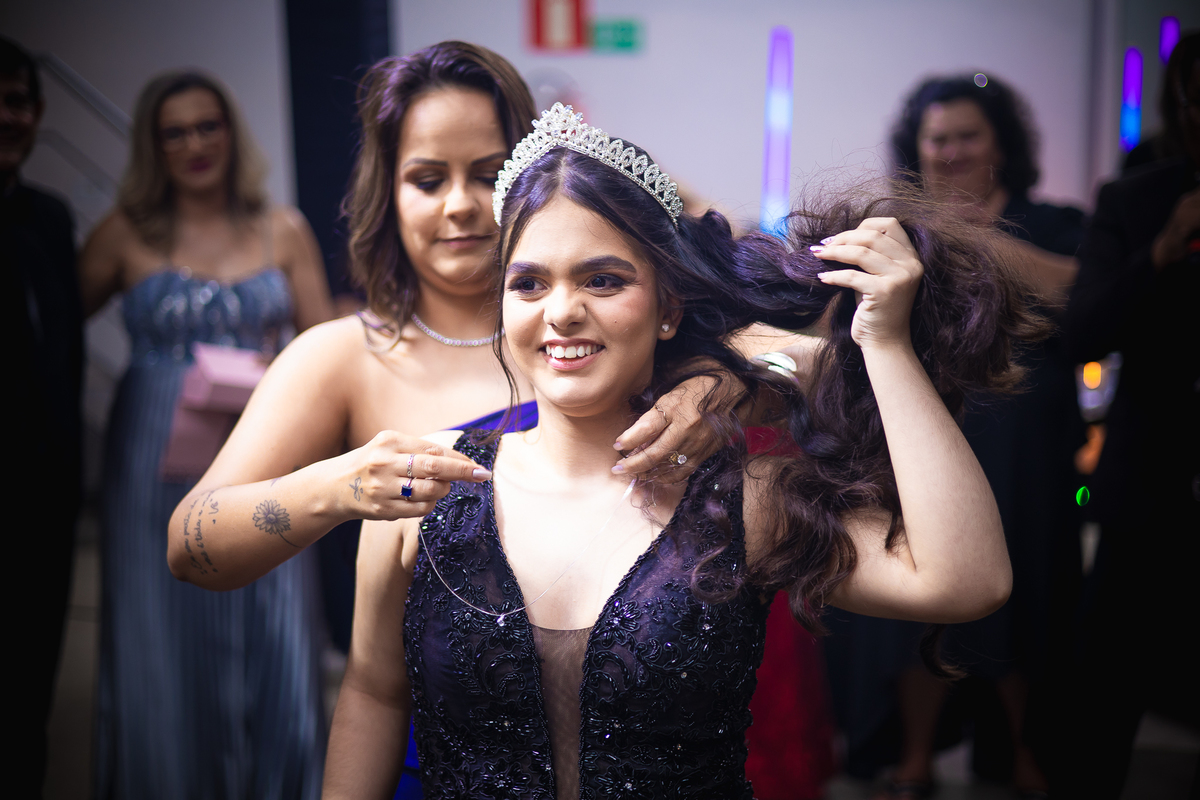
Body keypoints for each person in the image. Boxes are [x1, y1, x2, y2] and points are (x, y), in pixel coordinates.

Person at [319, 102, 1043, 798]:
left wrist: (883, 341)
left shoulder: (745, 499)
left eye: (603, 280)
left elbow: (966, 581)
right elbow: (374, 692)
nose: (562, 311)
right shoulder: (429, 482)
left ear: (668, 309)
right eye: (529, 283)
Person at [164, 42, 731, 795]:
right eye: (427, 179)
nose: (460, 205)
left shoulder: (596, 331)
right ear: (388, 193)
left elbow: (801, 351)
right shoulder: (344, 357)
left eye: (488, 174)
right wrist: (339, 488)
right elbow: (190, 545)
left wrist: (720, 385)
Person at [829, 73, 1087, 797]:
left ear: (1002, 145)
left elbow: (1076, 290)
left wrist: (959, 235)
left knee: (1026, 592)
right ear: (916, 148)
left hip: (1027, 445)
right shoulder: (898, 230)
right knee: (919, 582)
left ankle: (1027, 755)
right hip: (928, 427)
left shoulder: (1050, 221)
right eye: (937, 138)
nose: (951, 151)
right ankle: (915, 756)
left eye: (968, 135)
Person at [79, 70, 334, 799]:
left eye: (207, 126)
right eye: (175, 132)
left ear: (231, 133)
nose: (195, 144)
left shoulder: (283, 228)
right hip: (149, 464)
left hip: (265, 450)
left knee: (276, 616)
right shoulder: (123, 233)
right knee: (160, 630)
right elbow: (45, 329)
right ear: (153, 146)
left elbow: (323, 345)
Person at [1056, 31, 1200, 799]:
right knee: (1104, 688)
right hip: (1151, 476)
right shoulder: (1137, 199)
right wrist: (1162, 252)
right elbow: (1083, 332)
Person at [2, 36, 85, 798]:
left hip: (44, 502)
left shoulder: (50, 219)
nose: (8, 117)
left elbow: (68, 354)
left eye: (18, 101)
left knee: (29, 692)